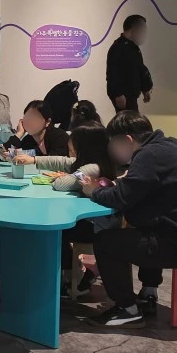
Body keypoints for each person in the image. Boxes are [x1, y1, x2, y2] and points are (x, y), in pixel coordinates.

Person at [80, 111, 177, 328]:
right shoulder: (169, 146)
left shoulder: (149, 156)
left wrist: (93, 191)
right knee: (142, 225)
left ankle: (127, 310)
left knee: (106, 242)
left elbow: (120, 198)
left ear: (127, 140)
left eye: (113, 143)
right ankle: (148, 291)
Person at [16, 122, 119, 294]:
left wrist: (61, 177)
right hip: (96, 222)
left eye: (72, 145)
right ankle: (70, 273)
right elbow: (63, 161)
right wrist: (34, 160)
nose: (69, 147)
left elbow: (62, 184)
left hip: (97, 228)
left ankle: (68, 275)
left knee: (55, 228)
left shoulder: (92, 168)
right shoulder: (96, 162)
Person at [106, 15, 153, 112]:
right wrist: (118, 94)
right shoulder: (118, 48)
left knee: (133, 119)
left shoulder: (134, 48)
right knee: (127, 120)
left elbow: (140, 68)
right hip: (123, 96)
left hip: (132, 95)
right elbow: (112, 73)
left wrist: (145, 88)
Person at [1, 100, 69, 158]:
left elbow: (53, 162)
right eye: (27, 118)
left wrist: (20, 155)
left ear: (47, 122)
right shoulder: (28, 140)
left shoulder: (59, 137)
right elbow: (4, 152)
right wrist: (19, 133)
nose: (31, 122)